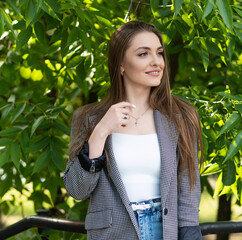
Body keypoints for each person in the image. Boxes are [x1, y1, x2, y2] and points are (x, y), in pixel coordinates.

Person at [64, 21, 203, 240]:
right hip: (113, 233)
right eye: (143, 54)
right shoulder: (89, 119)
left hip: (165, 230)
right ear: (121, 64)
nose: (156, 62)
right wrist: (101, 132)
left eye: (159, 53)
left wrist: (189, 232)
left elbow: (189, 187)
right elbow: (77, 190)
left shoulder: (181, 116)